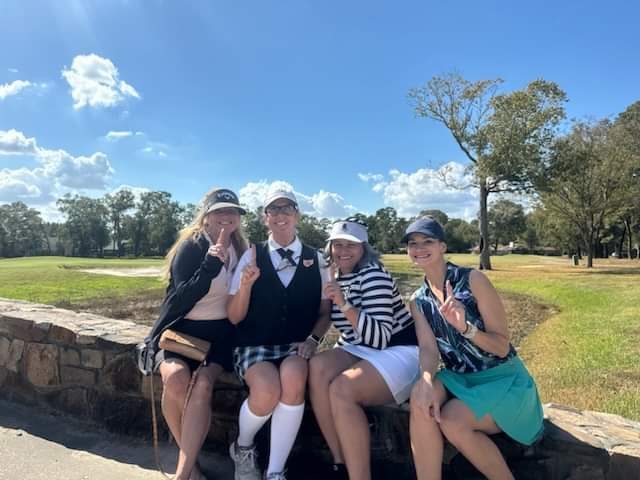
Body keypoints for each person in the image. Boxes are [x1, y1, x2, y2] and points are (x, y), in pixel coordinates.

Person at [404, 217, 544, 480]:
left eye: (428, 241)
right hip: (461, 378)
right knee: (421, 397)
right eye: (413, 243)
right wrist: (424, 379)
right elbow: (429, 350)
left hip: (503, 378)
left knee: (451, 419)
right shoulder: (418, 300)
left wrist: (466, 328)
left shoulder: (473, 280)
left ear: (443, 246)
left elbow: (502, 347)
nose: (419, 248)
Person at [227, 189, 332, 480]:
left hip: (297, 344)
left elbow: (325, 313)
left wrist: (313, 340)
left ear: (297, 215)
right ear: (266, 219)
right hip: (254, 344)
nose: (281, 214)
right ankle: (243, 447)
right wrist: (246, 286)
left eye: (287, 208)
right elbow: (234, 315)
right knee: (267, 391)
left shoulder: (317, 259)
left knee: (295, 380)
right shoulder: (251, 255)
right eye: (274, 210)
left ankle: (275, 472)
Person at [144, 188, 248, 480]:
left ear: (239, 218)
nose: (226, 217)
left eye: (232, 212)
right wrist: (209, 266)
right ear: (206, 217)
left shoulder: (241, 251)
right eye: (219, 212)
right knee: (176, 380)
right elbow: (178, 301)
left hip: (220, 335)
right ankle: (191, 468)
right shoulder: (191, 247)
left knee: (202, 385)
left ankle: (183, 474)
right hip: (181, 331)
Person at [308, 217, 419, 480]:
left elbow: (379, 337)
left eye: (351, 245)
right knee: (317, 368)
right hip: (359, 347)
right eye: (338, 245)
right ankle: (340, 462)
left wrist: (344, 304)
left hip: (398, 349)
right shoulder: (335, 275)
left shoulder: (373, 274)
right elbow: (349, 333)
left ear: (363, 248)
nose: (343, 251)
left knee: (341, 389)